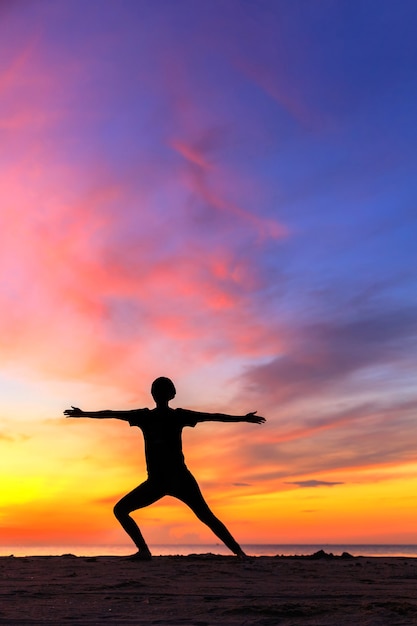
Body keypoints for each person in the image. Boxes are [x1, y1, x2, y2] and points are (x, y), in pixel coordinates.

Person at [64, 376, 265, 559]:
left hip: (178, 478)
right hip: (158, 481)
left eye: (161, 390)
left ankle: (239, 553)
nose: (158, 393)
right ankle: (144, 551)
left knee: (206, 516)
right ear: (162, 394)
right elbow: (112, 413)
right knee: (122, 510)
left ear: (170, 394)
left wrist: (242, 418)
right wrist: (84, 414)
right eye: (157, 390)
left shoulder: (173, 416)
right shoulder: (146, 416)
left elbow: (212, 416)